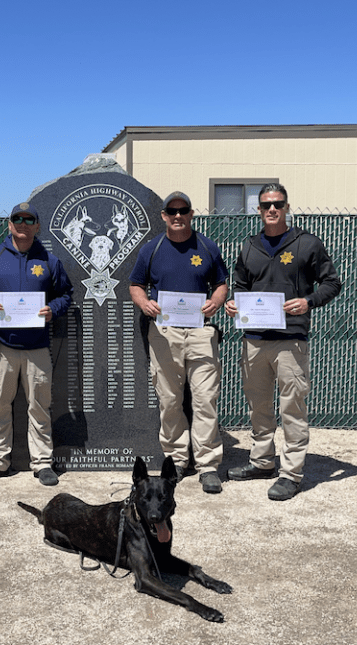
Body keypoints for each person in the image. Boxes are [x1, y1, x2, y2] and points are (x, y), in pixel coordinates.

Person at [224, 183, 342, 500]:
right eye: (266, 205)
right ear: (258, 209)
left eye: (278, 204)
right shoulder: (249, 246)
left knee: (292, 409)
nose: (272, 210)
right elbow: (240, 286)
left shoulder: (307, 244)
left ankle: (291, 473)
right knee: (259, 407)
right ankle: (262, 462)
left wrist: (309, 302)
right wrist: (232, 303)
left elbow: (332, 283)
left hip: (291, 339)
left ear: (287, 207)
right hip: (255, 340)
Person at [129, 191, 229, 494]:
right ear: (163, 215)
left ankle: (208, 465)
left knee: (205, 399)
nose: (177, 216)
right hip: (164, 334)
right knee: (170, 400)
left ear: (191, 213)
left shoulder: (207, 246)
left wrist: (215, 301)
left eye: (183, 210)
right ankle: (176, 461)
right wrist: (144, 303)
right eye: (171, 211)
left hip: (200, 332)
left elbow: (222, 284)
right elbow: (135, 284)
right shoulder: (152, 249)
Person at [0, 202, 73, 486]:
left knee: (39, 407)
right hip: (2, 346)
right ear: (9, 224)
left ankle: (42, 462)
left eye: (29, 219)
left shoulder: (49, 260)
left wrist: (53, 308)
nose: (23, 223)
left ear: (37, 226)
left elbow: (66, 294)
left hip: (37, 347)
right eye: (17, 218)